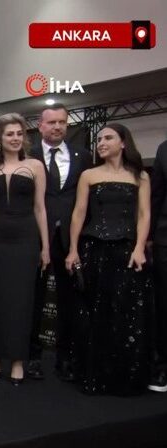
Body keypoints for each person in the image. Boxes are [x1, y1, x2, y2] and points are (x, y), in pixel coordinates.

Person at [65, 123, 152, 396]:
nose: (101, 143)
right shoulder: (89, 175)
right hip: (94, 249)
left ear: (123, 142)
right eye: (99, 139)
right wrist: (73, 249)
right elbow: (79, 213)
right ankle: (94, 375)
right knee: (95, 313)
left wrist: (139, 248)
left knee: (125, 312)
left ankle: (122, 378)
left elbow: (144, 215)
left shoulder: (140, 176)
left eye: (108, 138)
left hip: (127, 251)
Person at [0, 113, 49, 386]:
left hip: (26, 239)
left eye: (20, 134)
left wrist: (45, 247)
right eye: (10, 134)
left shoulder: (35, 166)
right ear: (0, 138)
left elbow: (40, 208)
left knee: (22, 301)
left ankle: (19, 361)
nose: (15, 138)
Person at [27, 104, 92, 382]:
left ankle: (65, 358)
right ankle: (32, 356)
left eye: (62, 122)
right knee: (35, 299)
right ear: (40, 126)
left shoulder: (82, 156)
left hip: (70, 239)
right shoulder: (28, 155)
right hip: (35, 237)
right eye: (51, 122)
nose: (57, 127)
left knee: (69, 301)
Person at [150, 137, 167, 392]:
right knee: (164, 304)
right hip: (165, 238)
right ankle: (162, 365)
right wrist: (149, 237)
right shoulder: (164, 149)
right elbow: (156, 195)